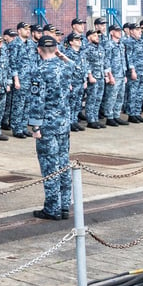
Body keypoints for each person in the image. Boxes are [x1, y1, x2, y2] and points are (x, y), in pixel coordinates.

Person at [28, 36, 72, 220]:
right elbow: (80, 69)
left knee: (50, 166)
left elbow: (37, 101)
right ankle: (64, 205)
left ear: (39, 50)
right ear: (56, 49)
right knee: (63, 163)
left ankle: (53, 208)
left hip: (48, 125)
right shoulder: (65, 67)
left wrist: (35, 127)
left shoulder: (40, 71)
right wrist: (63, 57)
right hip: (64, 123)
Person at [123, 23, 143, 123]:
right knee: (133, 93)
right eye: (137, 30)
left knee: (140, 93)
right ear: (131, 31)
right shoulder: (128, 42)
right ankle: (131, 114)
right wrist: (132, 71)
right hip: (134, 72)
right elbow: (128, 58)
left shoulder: (142, 42)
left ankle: (137, 113)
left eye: (140, 30)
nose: (140, 31)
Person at [102, 24, 128, 127]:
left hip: (121, 74)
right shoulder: (109, 44)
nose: (119, 32)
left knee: (120, 96)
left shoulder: (121, 44)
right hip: (113, 74)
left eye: (120, 31)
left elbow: (123, 60)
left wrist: (125, 74)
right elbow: (106, 60)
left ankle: (116, 115)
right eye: (117, 31)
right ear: (111, 32)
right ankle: (109, 117)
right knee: (111, 97)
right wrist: (109, 75)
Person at [82, 28, 105, 128]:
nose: (97, 37)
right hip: (93, 77)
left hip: (101, 76)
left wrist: (107, 75)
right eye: (94, 35)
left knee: (98, 99)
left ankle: (95, 118)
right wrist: (90, 76)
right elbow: (85, 64)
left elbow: (104, 62)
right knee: (91, 98)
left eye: (97, 35)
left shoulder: (100, 48)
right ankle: (90, 120)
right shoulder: (86, 48)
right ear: (89, 37)